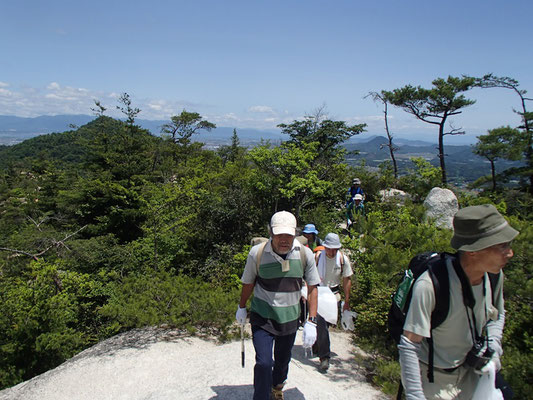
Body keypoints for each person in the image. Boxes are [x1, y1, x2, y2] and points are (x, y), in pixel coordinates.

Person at [399, 204, 519, 399]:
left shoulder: (494, 277)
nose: (509, 253)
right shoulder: (430, 285)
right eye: (502, 245)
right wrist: (414, 395)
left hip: (472, 377)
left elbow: (496, 315)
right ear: (473, 250)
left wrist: (493, 348)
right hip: (432, 382)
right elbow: (409, 345)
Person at [236, 211, 321, 400]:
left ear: (295, 234)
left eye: (288, 235)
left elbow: (313, 288)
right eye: (279, 234)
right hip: (263, 317)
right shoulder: (257, 253)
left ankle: (277, 387)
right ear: (271, 233)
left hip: (290, 319)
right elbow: (248, 283)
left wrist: (312, 321)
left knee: (282, 362)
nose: (284, 240)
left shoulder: (304, 254)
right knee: (264, 363)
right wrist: (242, 307)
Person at [313, 232, 354, 372]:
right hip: (319, 292)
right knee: (322, 323)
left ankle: (318, 341)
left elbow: (347, 279)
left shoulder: (343, 259)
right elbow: (310, 275)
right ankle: (325, 357)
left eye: (334, 249)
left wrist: (347, 301)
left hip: (334, 295)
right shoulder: (318, 257)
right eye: (329, 248)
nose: (332, 251)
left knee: (328, 323)